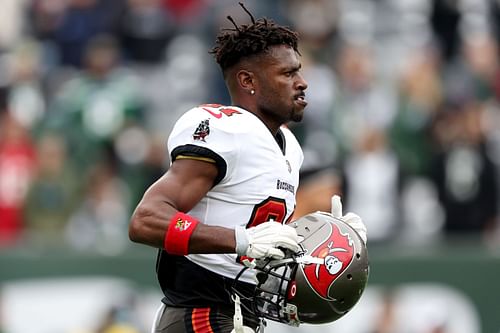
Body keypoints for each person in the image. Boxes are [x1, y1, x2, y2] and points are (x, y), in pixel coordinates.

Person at [129, 4, 367, 333]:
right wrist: (239, 240)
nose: (302, 83)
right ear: (248, 81)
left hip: (241, 314)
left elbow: (259, 230)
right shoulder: (227, 130)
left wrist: (331, 236)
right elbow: (146, 220)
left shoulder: (289, 147)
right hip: (201, 313)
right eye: (287, 73)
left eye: (298, 71)